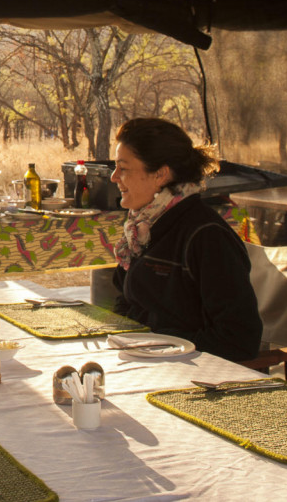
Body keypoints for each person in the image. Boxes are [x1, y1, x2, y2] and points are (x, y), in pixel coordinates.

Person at [109, 118, 262, 362]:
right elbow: (127, 300)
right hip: (149, 362)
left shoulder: (206, 237)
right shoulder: (144, 227)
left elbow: (240, 339)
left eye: (123, 168)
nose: (114, 177)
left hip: (197, 376)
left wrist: (161, 343)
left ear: (160, 174)